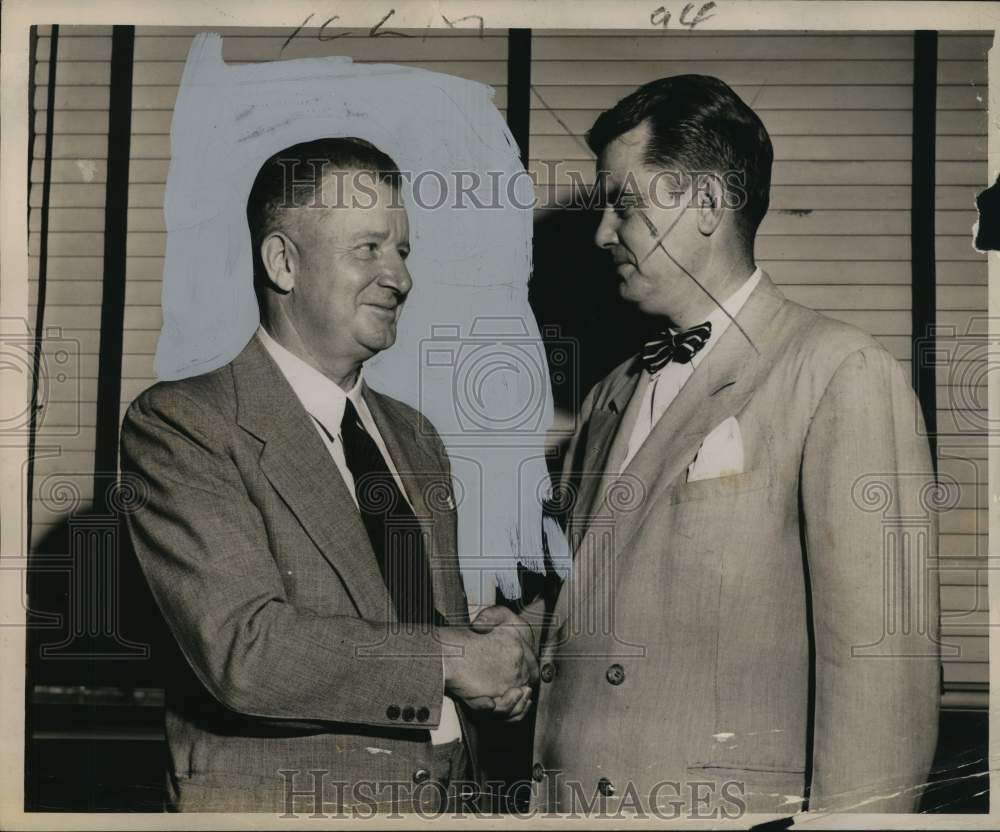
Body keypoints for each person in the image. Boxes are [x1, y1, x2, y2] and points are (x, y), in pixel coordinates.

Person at [475, 75, 941, 815]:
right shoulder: (607, 396)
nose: (602, 234)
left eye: (624, 205)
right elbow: (600, 592)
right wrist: (521, 634)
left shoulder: (840, 373)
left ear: (707, 205)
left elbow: (884, 687)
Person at [120, 137, 536, 814]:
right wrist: (455, 659)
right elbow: (245, 652)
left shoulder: (415, 437)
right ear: (283, 262)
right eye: (368, 248)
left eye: (402, 251)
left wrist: (498, 670)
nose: (398, 277)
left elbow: (414, 624)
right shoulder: (183, 424)